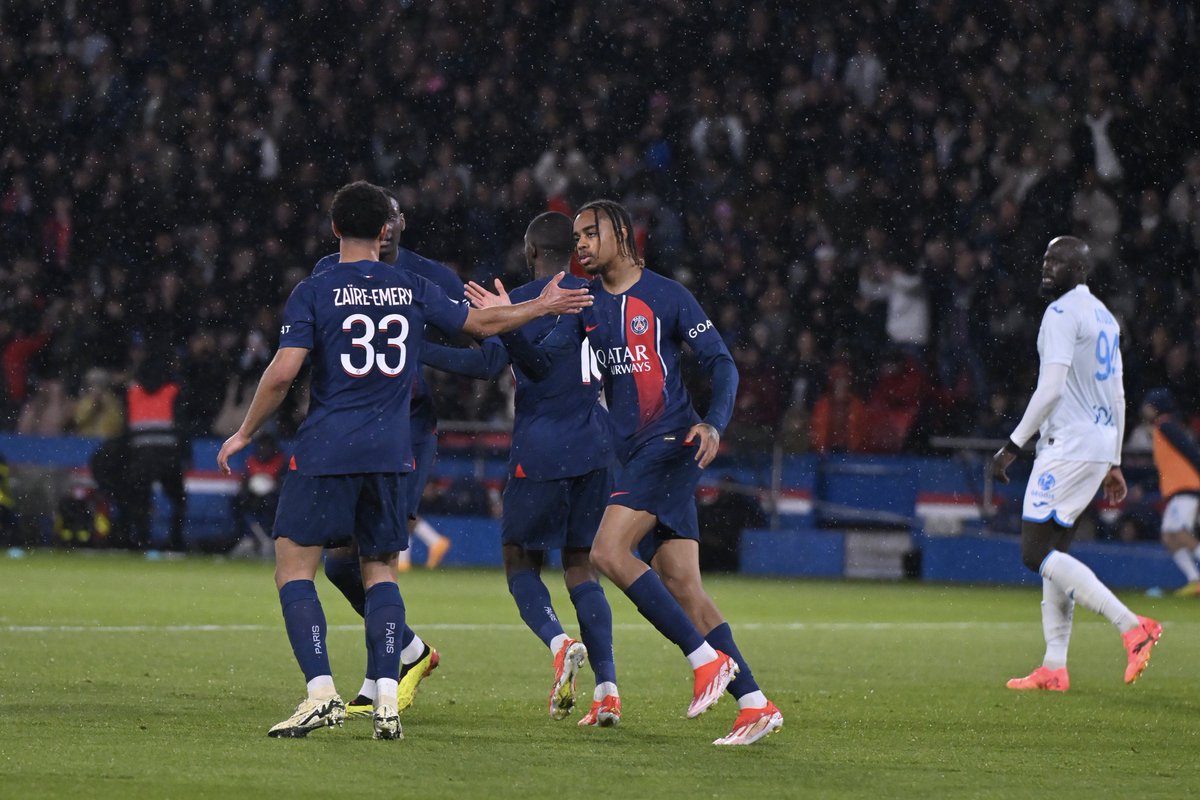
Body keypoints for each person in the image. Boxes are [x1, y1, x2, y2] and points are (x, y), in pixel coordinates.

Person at [216, 181, 590, 739]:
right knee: (380, 570)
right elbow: (480, 326)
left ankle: (321, 691)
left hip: (328, 447)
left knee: (295, 567)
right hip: (393, 452)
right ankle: (386, 697)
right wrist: (540, 305)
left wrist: (246, 429)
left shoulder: (316, 289)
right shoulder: (409, 285)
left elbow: (283, 371)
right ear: (386, 229)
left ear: (335, 228)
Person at [467, 199, 782, 746]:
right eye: (577, 236)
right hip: (633, 455)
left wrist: (714, 423)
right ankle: (754, 702)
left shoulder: (666, 295)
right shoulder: (585, 304)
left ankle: (706, 662)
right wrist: (512, 327)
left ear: (619, 234)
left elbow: (720, 361)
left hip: (670, 444)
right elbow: (540, 365)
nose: (581, 244)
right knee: (685, 586)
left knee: (607, 553)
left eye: (590, 234)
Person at [421, 211, 620, 726]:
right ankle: (608, 689)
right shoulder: (600, 297)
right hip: (597, 448)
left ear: (531, 251)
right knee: (581, 563)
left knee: (518, 559)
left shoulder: (532, 300)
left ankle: (559, 645)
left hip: (546, 448)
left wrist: (418, 349)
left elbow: (504, 364)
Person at [310, 190, 490, 719]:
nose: (385, 228)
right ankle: (410, 652)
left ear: (401, 224)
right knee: (338, 562)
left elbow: (487, 360)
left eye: (391, 218)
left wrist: (417, 348)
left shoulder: (429, 279)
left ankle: (377, 681)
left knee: (374, 559)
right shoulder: (329, 271)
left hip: (405, 434)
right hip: (348, 433)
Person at [992, 235, 1162, 693]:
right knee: (1054, 555)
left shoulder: (1061, 314)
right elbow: (1119, 393)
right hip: (1096, 443)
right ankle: (1054, 665)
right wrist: (1114, 459)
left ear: (1080, 269)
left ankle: (1132, 626)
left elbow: (1050, 389)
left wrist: (1012, 444)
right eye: (1045, 258)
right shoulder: (1105, 317)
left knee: (1033, 553)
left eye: (1058, 261)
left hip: (1067, 445)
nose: (1047, 267)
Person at [124, 357, 187, 552]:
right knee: (178, 500)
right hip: (167, 457)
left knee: (140, 500)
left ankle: (141, 540)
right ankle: (175, 540)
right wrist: (185, 456)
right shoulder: (172, 392)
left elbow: (126, 429)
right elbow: (182, 428)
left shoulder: (132, 393)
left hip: (140, 457)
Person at [1141, 388, 1200, 596]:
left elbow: (1190, 451)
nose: (1144, 409)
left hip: (1185, 487)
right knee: (1169, 536)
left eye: (1148, 405)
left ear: (1156, 407)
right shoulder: (1163, 427)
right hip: (1178, 490)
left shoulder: (1165, 425)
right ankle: (1195, 581)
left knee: (1179, 533)